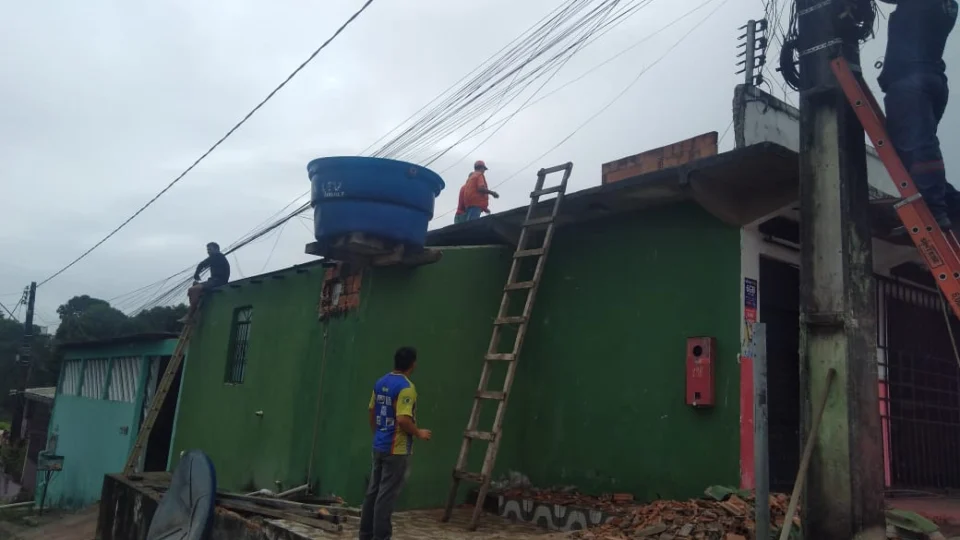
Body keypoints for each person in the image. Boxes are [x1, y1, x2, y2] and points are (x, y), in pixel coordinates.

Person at [881, 0, 958, 236]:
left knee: (919, 148)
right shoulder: (948, 5)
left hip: (911, 83)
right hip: (929, 79)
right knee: (911, 151)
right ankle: (952, 205)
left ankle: (934, 211)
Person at [360, 347, 431, 540]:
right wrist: (419, 433)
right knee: (386, 497)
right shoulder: (406, 388)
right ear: (413, 364)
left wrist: (378, 434)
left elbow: (371, 411)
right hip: (396, 449)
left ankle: (365, 535)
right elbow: (403, 419)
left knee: (373, 493)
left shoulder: (381, 382)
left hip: (379, 445)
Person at [187, 242, 230, 310]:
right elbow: (202, 265)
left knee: (193, 289)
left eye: (210, 249)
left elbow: (202, 264)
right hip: (213, 280)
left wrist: (196, 274)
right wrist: (197, 274)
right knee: (195, 284)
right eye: (207, 250)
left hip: (218, 281)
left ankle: (191, 313)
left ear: (216, 249)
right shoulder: (216, 258)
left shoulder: (218, 256)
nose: (208, 252)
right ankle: (199, 301)